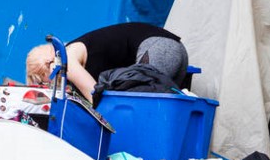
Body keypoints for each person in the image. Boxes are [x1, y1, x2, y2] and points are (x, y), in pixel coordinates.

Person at [25, 22, 188, 103]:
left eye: (48, 82)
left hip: (158, 49)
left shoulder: (66, 59)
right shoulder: (74, 50)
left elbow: (96, 97)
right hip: (174, 49)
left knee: (141, 106)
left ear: (48, 67)